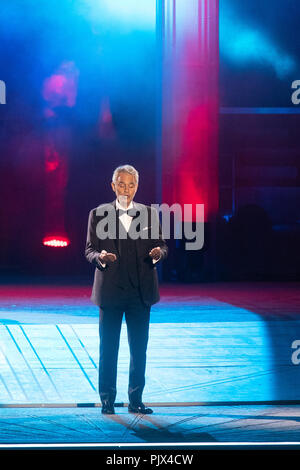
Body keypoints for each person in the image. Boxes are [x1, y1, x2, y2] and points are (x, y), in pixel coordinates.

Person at [85, 164, 168, 415]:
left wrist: (157, 255)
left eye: (131, 185)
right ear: (113, 186)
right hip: (110, 292)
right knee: (108, 349)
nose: (126, 189)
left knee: (138, 349)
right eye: (121, 184)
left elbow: (162, 246)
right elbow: (88, 250)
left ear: (137, 187)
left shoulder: (149, 214)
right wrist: (100, 256)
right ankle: (107, 400)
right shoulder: (98, 214)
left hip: (140, 293)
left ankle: (136, 400)